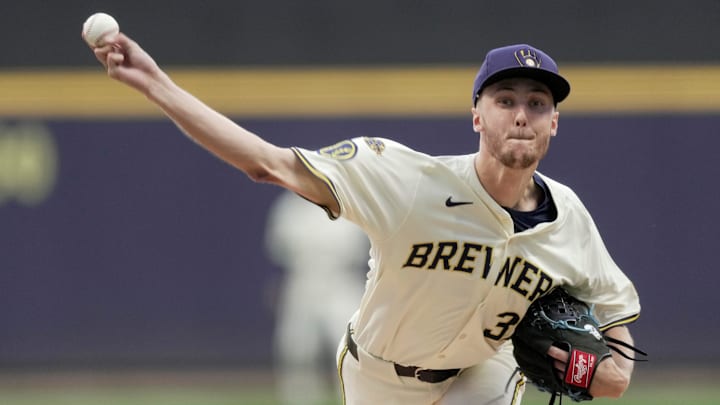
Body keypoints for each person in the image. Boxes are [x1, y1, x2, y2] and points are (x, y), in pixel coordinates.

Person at [90, 35, 641, 404]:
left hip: (484, 371)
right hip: (380, 376)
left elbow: (616, 362)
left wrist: (587, 372)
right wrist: (155, 83)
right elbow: (267, 164)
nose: (522, 113)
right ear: (476, 115)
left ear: (555, 124)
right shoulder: (407, 182)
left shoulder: (569, 218)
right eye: (505, 99)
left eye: (538, 103)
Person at [264, 190, 369, 404]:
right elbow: (277, 248)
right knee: (297, 353)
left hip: (341, 282)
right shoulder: (291, 206)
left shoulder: (349, 204)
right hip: (303, 282)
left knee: (351, 356)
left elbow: (363, 249)